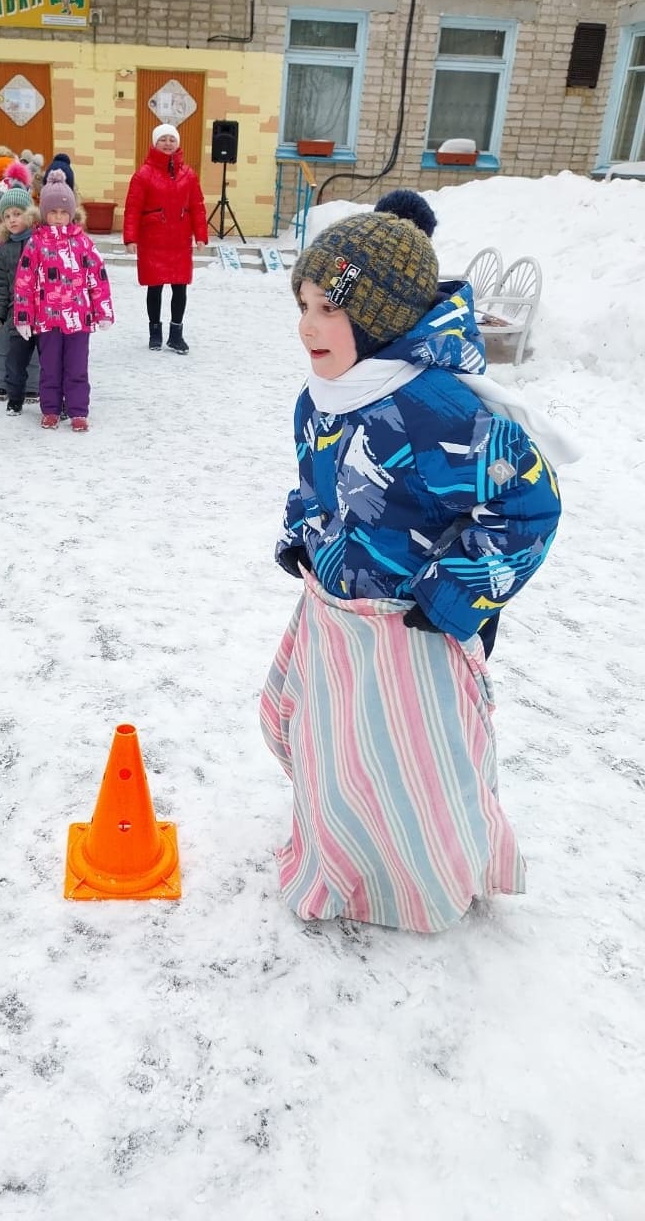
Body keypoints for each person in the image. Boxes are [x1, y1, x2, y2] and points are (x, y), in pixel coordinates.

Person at [261, 205, 564, 933]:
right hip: (338, 613)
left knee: (412, 773)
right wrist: (305, 532)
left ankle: (418, 879)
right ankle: (345, 864)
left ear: (382, 318)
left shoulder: (439, 411)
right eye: (303, 304)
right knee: (334, 754)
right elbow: (315, 482)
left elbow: (528, 505)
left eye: (330, 308)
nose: (307, 326)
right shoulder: (323, 398)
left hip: (412, 631)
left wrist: (454, 593)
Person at [13, 169, 113, 431]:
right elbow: (24, 282)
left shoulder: (83, 243)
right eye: (53, 212)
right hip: (47, 320)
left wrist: (103, 311)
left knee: (77, 367)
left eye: (63, 212)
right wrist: (23, 317)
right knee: (50, 367)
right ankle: (51, 409)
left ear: (71, 214)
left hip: (79, 319)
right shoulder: (35, 244)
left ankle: (78, 410)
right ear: (45, 213)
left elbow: (98, 277)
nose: (58, 218)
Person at [123, 122, 208, 354]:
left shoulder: (188, 175)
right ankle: (155, 333)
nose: (168, 143)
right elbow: (133, 207)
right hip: (153, 239)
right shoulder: (143, 174)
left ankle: (176, 335)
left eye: (172, 139)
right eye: (163, 139)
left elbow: (197, 206)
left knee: (180, 289)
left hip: (179, 240)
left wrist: (201, 235)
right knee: (155, 288)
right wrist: (131, 238)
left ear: (177, 143)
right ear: (155, 143)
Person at [0, 182, 36, 412]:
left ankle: (33, 386)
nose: (12, 220)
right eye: (7, 216)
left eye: (17, 214)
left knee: (34, 350)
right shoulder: (4, 247)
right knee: (2, 345)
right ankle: (1, 384)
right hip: (12, 307)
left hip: (38, 307)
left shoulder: (38, 242)